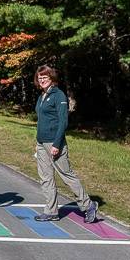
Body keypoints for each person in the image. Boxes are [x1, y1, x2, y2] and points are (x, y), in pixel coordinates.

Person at [33, 65, 98, 223]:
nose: (42, 80)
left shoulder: (58, 95)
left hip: (55, 142)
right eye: (40, 78)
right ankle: (51, 211)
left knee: (66, 175)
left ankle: (88, 205)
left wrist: (56, 143)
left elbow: (63, 121)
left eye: (45, 77)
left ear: (52, 78)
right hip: (41, 142)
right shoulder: (42, 96)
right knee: (46, 178)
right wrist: (37, 143)